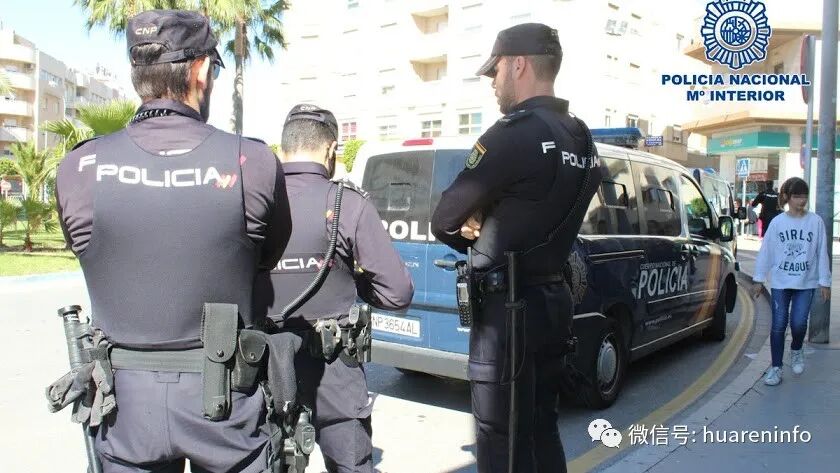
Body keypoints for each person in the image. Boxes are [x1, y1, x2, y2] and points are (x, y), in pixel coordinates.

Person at [53, 10, 292, 472]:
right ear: (200, 70)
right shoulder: (253, 161)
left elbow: (87, 249)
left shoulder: (79, 168)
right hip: (227, 406)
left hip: (125, 412)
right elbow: (268, 256)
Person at [430, 23, 600, 473]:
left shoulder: (512, 134)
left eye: (496, 70)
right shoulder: (582, 138)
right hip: (553, 305)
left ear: (519, 65)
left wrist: (476, 228)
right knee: (542, 429)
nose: (492, 82)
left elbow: (444, 219)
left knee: (500, 438)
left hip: (507, 316)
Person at [253, 104, 414, 473]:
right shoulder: (348, 204)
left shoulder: (254, 202)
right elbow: (398, 293)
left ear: (283, 148)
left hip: (265, 369)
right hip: (335, 373)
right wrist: (350, 278)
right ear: (330, 150)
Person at [751, 177, 831, 386]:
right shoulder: (778, 222)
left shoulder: (815, 222)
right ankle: (776, 368)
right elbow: (767, 251)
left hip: (806, 282)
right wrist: (759, 279)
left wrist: (825, 281)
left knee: (798, 323)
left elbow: (822, 252)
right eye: (797, 196)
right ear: (787, 197)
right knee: (779, 324)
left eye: (804, 196)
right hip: (781, 282)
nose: (801, 200)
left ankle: (796, 349)